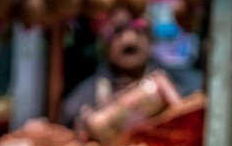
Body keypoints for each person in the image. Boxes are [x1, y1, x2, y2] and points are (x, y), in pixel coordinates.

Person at [59, 8, 201, 127]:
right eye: (118, 32)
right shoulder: (82, 99)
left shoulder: (182, 85)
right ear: (105, 46)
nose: (129, 39)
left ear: (151, 40)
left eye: (139, 31)